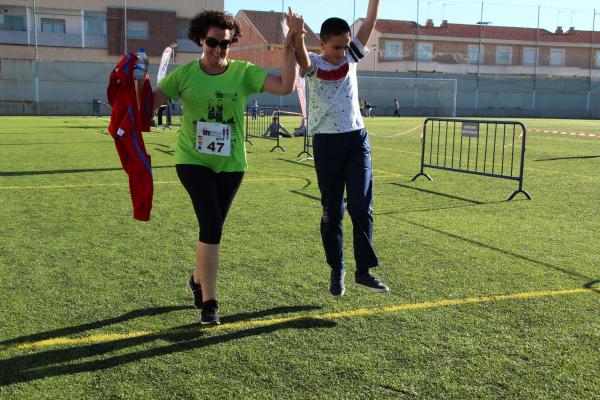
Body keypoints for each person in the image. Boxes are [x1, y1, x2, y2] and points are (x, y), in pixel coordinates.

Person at [144, 10, 297, 325]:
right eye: (212, 42)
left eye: (224, 45)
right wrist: (137, 79)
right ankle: (210, 303)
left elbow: (284, 86)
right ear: (201, 40)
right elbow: (148, 103)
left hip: (231, 164)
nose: (217, 49)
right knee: (211, 224)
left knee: (212, 229)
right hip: (192, 160)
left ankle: (197, 280)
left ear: (231, 45)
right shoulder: (184, 75)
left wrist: (292, 42)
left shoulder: (243, 73)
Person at [288, 1, 389, 299]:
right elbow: (302, 59)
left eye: (346, 46)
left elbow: (369, 22)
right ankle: (337, 268)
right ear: (321, 44)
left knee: (362, 207)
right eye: (336, 47)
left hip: (357, 140)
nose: (343, 53)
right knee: (332, 212)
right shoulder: (315, 65)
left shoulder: (352, 58)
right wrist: (295, 34)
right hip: (327, 144)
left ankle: (364, 271)